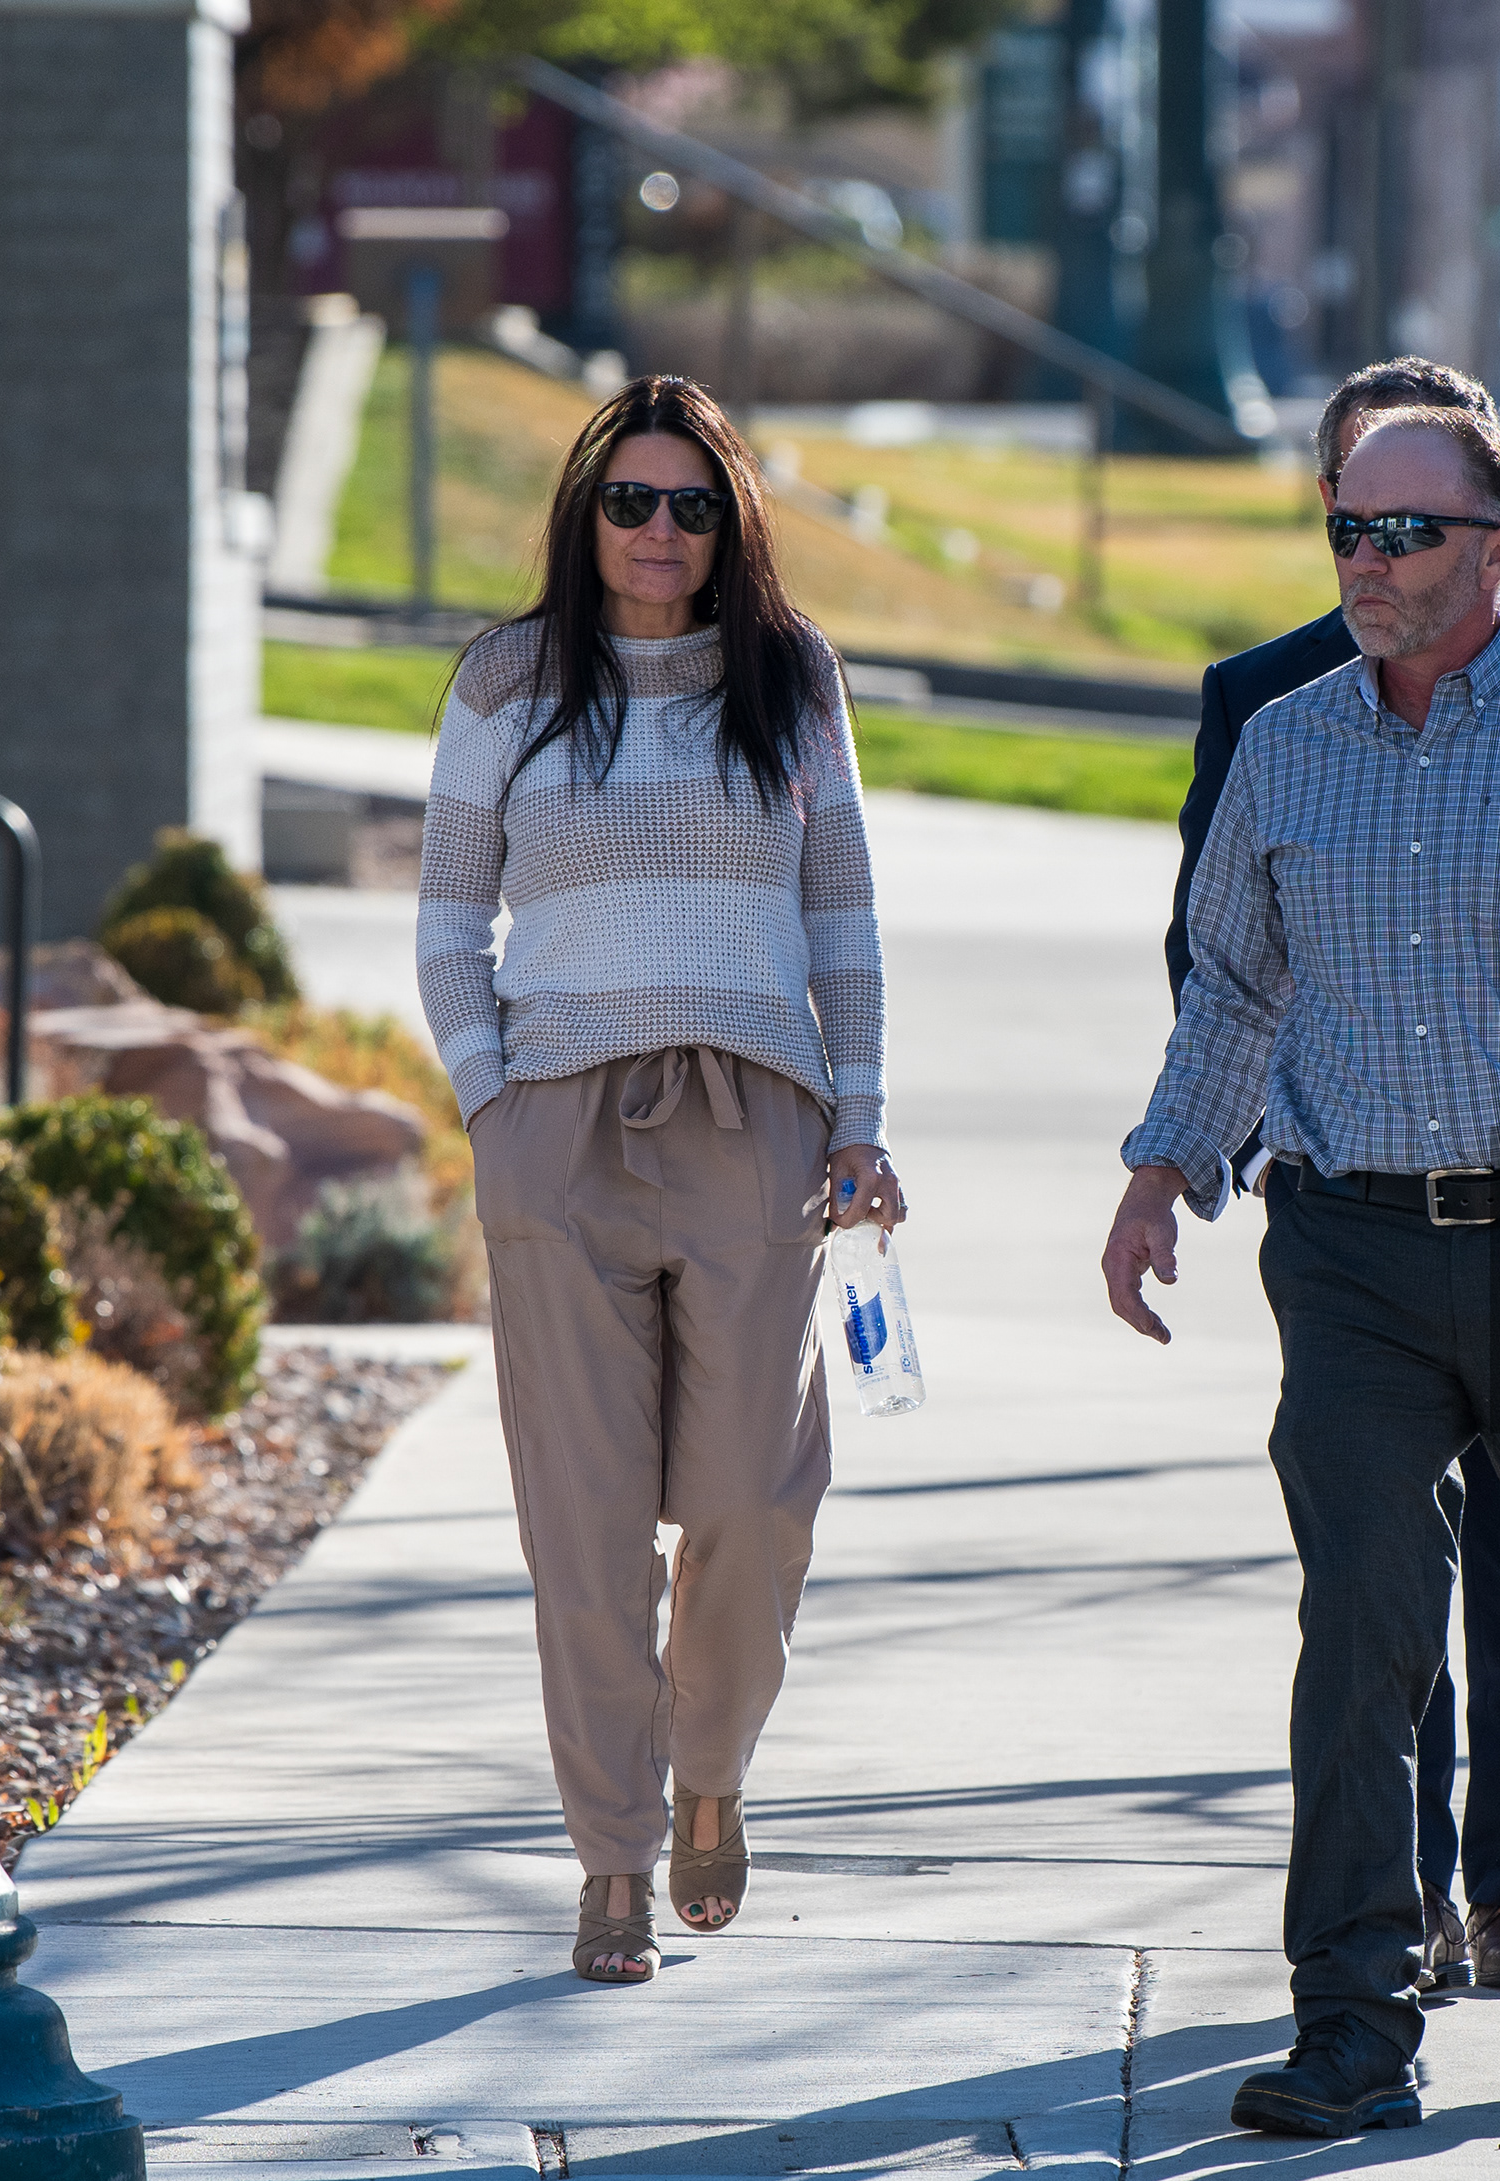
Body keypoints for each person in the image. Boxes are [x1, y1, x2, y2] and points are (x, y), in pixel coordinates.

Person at [1101, 404, 1500, 2134]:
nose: (1369, 564)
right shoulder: (1286, 744)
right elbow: (1234, 986)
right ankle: (1356, 2026)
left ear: (1499, 544)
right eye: (1346, 530)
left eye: (1407, 533)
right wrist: (1165, 1166)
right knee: (1363, 1638)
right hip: (1354, 1255)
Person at [416, 375, 901, 1988]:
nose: (660, 532)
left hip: (758, 1119)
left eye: (694, 504)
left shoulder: (790, 675)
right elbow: (447, 922)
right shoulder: (509, 679)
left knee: (758, 1506)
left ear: (731, 523)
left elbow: (842, 914)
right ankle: (612, 1857)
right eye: (632, 500)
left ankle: (712, 1772)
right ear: (586, 512)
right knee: (588, 1525)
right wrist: (493, 1106)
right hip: (560, 1125)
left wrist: (860, 1113)